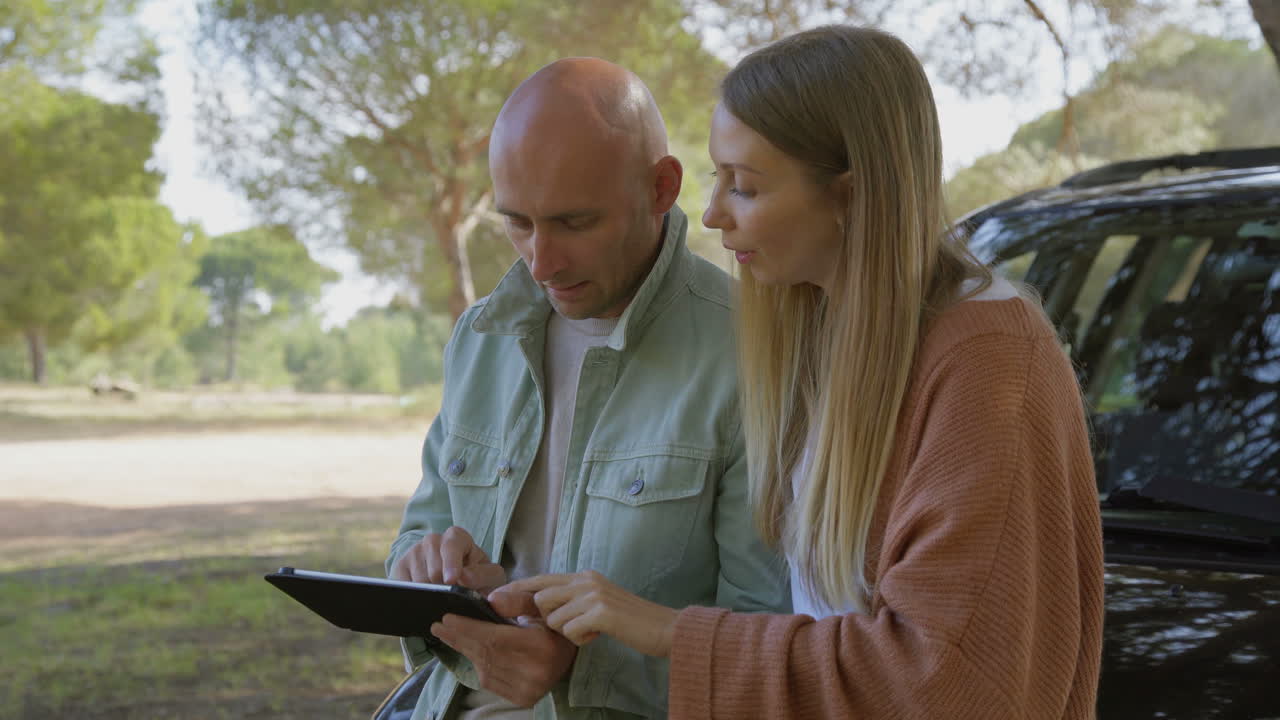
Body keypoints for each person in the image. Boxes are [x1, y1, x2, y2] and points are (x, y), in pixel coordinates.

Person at [501, 25, 1105, 719]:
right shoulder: (824, 336)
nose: (714, 213)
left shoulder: (987, 359)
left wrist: (671, 632)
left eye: (747, 187)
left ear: (850, 194)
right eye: (717, 177)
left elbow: (943, 677)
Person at [385, 57, 790, 720]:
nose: (541, 263)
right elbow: (415, 538)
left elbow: (764, 640)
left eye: (574, 223)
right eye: (517, 223)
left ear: (662, 188)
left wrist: (581, 667)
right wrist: (429, 573)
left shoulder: (753, 352)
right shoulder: (481, 338)